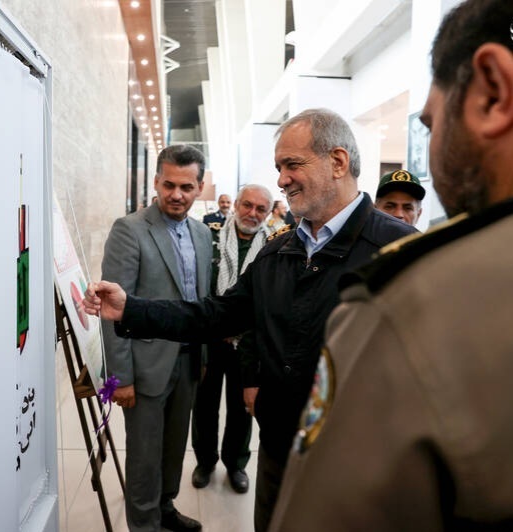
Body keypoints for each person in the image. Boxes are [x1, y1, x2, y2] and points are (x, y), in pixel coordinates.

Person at [84, 108, 416, 532]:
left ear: (337, 162)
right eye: (279, 168)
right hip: (278, 449)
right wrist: (131, 309)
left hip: (355, 462)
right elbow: (216, 314)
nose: (282, 180)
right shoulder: (279, 251)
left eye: (292, 164)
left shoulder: (400, 252)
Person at [269, 2, 513, 530]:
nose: (283, 180)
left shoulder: (407, 295)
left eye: (432, 122)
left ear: (493, 92)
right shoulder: (283, 246)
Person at [101, 144, 212, 532]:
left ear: (200, 187)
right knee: (145, 455)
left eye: (186, 187)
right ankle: (144, 524)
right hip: (145, 366)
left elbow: (201, 301)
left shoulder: (203, 234)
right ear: (156, 182)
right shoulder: (129, 230)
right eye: (169, 185)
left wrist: (202, 356)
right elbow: (111, 310)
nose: (176, 195)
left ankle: (165, 508)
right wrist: (121, 377)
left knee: (173, 446)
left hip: (189, 360)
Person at [191, 184, 272, 494]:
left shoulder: (273, 246)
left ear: (268, 213)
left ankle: (236, 464)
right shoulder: (209, 238)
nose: (252, 213)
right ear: (236, 205)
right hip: (210, 340)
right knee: (204, 404)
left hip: (248, 344)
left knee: (242, 408)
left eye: (260, 209)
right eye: (247, 205)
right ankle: (205, 461)